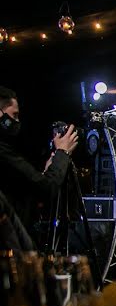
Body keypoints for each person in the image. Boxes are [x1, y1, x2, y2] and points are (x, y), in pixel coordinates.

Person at [0, 86, 79, 236]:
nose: (17, 122)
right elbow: (48, 189)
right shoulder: (3, 152)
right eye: (14, 115)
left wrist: (47, 171)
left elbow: (28, 188)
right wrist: (63, 152)